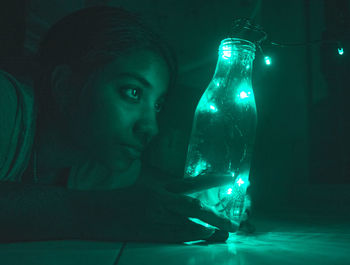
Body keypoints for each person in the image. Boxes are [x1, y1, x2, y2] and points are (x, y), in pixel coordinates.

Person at [0, 6, 237, 243]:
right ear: (65, 86)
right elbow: (115, 207)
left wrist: (210, 201)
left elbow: (141, 192)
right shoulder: (7, 101)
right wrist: (101, 212)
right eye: (132, 92)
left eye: (157, 106)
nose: (151, 127)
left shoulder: (95, 165)